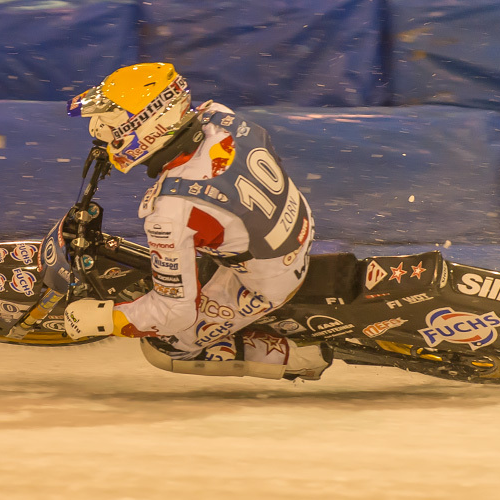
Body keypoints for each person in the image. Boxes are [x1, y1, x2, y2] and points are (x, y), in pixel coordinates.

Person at [63, 62, 332, 381]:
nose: (100, 131)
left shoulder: (170, 210)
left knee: (166, 343)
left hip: (269, 280)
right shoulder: (220, 114)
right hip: (294, 220)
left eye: (111, 121)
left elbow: (172, 313)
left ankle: (299, 356)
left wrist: (104, 318)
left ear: (148, 125)